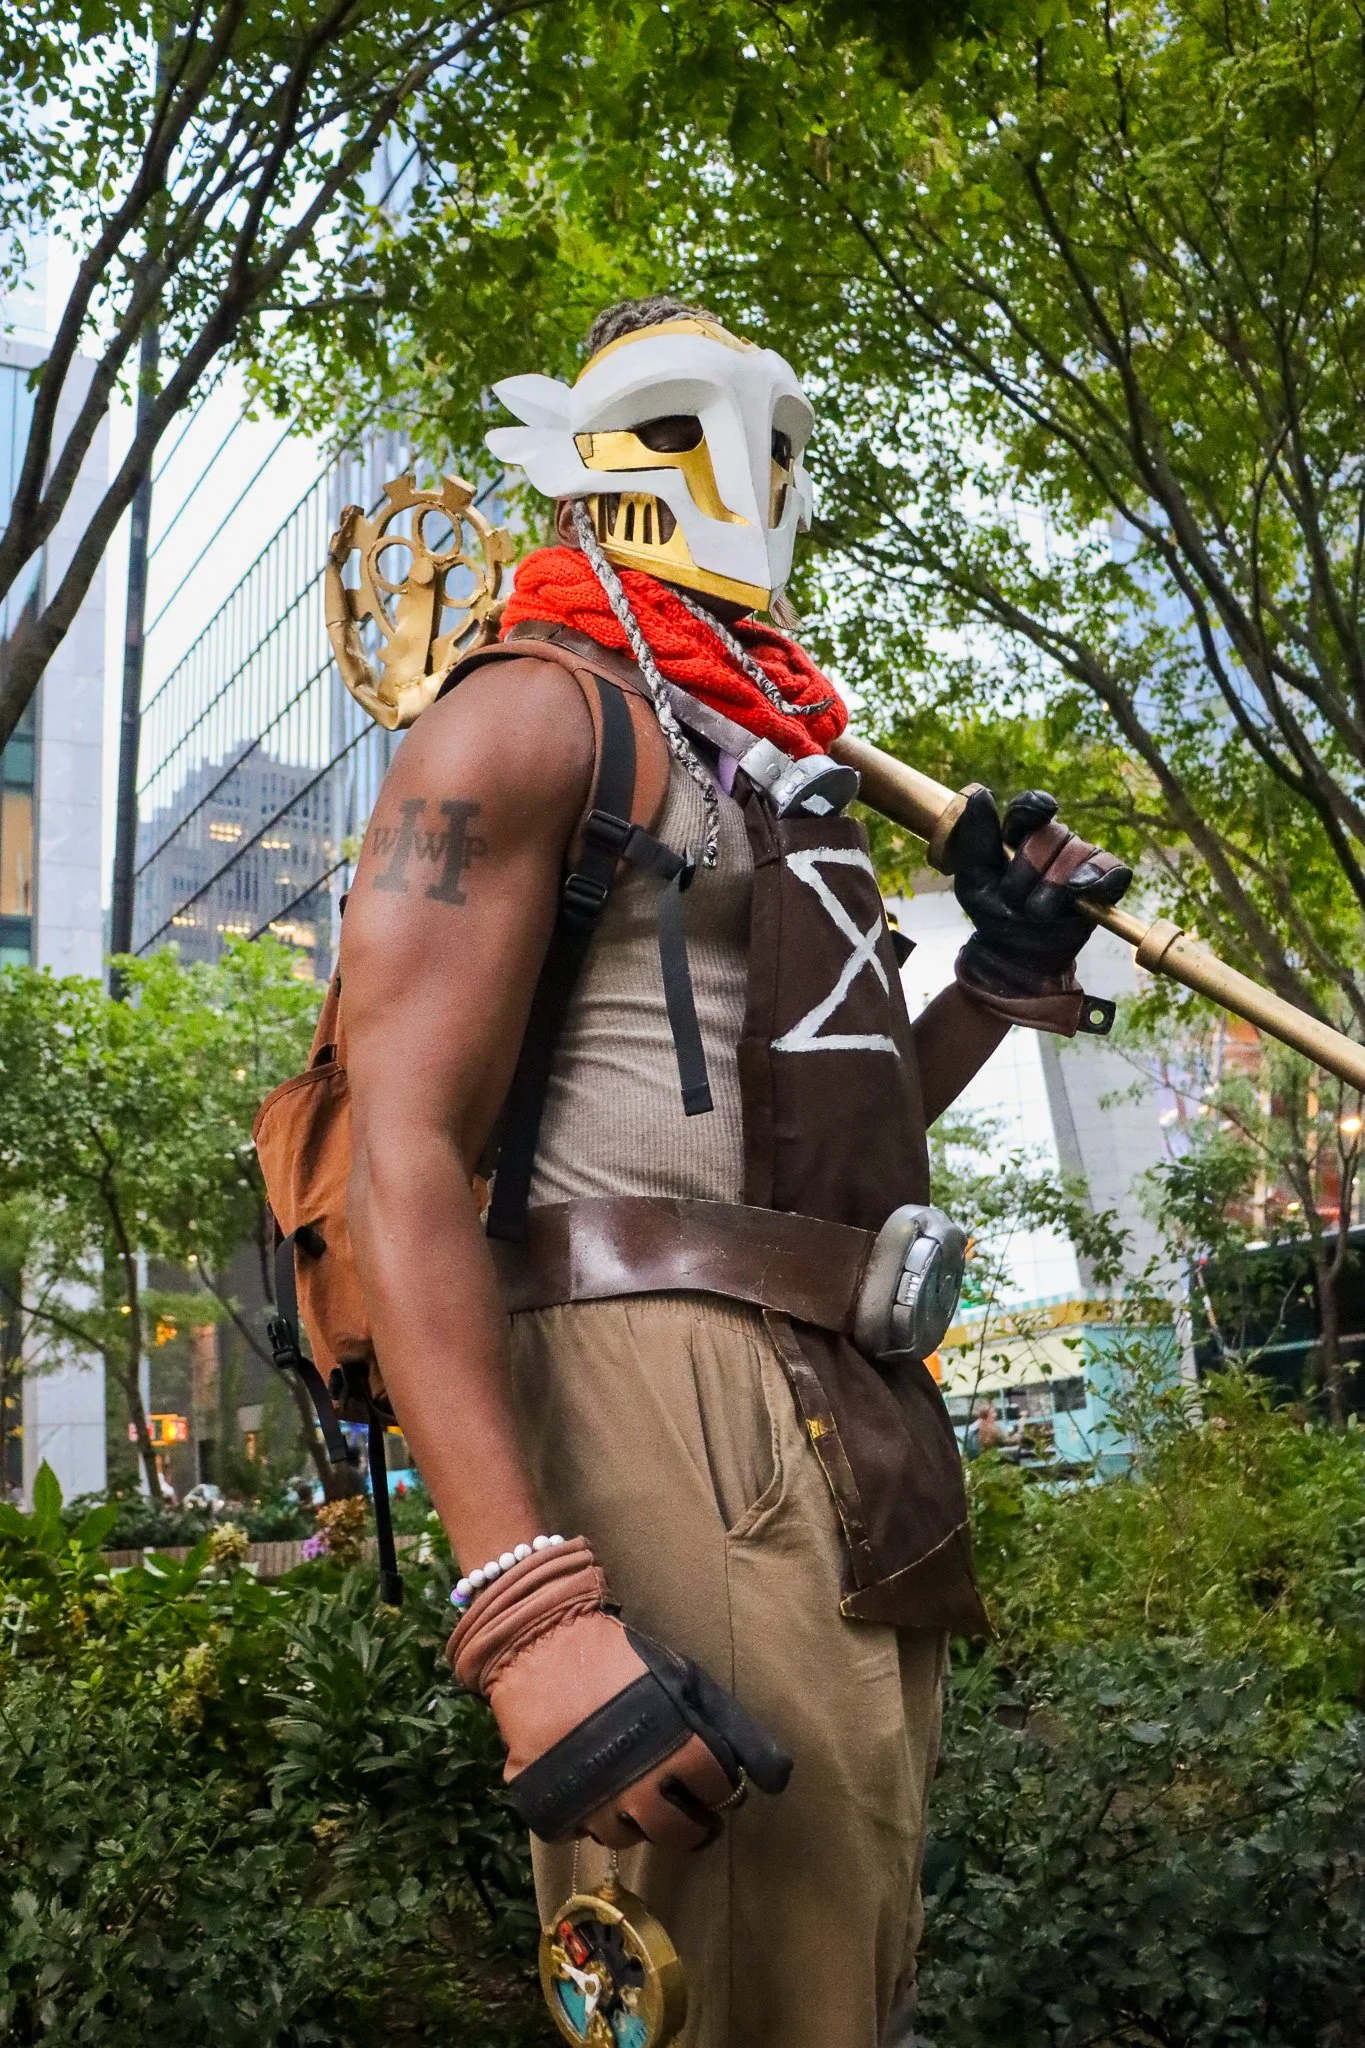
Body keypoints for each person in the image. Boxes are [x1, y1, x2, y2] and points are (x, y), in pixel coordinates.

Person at [338, 295, 1131, 2048]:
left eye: (772, 430)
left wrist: (991, 982)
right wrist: (525, 1613)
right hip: (642, 1387)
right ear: (585, 455)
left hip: (852, 1398)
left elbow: (829, 1156)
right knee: (711, 1982)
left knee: (846, 1955)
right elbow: (391, 1146)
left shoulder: (778, 766)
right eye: (688, 414)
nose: (744, 470)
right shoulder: (527, 715)